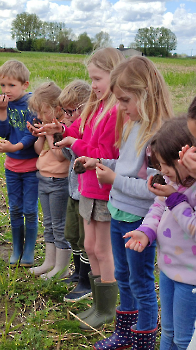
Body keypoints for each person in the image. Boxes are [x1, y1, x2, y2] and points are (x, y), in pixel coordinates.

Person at [78, 56, 174, 350]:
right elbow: (123, 164)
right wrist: (99, 162)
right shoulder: (133, 124)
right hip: (119, 212)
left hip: (140, 223)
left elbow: (155, 190)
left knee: (141, 283)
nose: (119, 107)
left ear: (145, 94)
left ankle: (143, 340)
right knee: (122, 275)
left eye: (124, 100)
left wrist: (114, 180)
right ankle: (125, 335)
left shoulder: (158, 137)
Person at [27, 47, 125, 330]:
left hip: (102, 191)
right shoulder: (95, 107)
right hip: (86, 187)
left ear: (115, 75)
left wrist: (73, 144)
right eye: (91, 79)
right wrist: (57, 130)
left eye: (98, 78)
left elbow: (102, 152)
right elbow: (76, 131)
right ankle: (97, 304)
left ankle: (107, 308)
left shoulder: (114, 111)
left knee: (103, 250)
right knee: (90, 246)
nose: (93, 85)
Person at [124, 116, 196, 350]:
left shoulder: (191, 190)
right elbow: (157, 207)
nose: (162, 171)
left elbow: (192, 227)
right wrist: (146, 231)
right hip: (167, 270)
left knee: (184, 338)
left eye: (166, 165)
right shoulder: (172, 182)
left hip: (190, 278)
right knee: (168, 331)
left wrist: (175, 199)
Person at [28, 81, 72, 279]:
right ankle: (49, 262)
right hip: (44, 179)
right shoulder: (47, 127)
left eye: (42, 111)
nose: (38, 116)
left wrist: (50, 134)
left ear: (56, 109)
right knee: (48, 223)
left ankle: (61, 269)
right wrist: (39, 136)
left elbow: (60, 156)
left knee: (59, 225)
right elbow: (39, 151)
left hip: (58, 182)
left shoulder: (62, 128)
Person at [0, 60, 39, 267]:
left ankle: (29, 250)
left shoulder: (32, 104)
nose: (6, 90)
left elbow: (30, 135)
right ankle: (17, 248)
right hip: (12, 168)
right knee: (15, 208)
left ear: (25, 84)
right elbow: (3, 132)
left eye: (11, 85)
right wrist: (2, 112)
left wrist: (13, 148)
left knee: (30, 209)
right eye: (3, 85)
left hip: (31, 167)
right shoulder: (5, 104)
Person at [58, 79, 92, 300]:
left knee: (84, 238)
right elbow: (68, 157)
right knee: (71, 234)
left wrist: (72, 140)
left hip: (85, 193)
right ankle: (77, 271)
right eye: (64, 111)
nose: (67, 115)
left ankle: (86, 281)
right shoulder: (72, 128)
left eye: (70, 111)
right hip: (73, 191)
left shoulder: (87, 130)